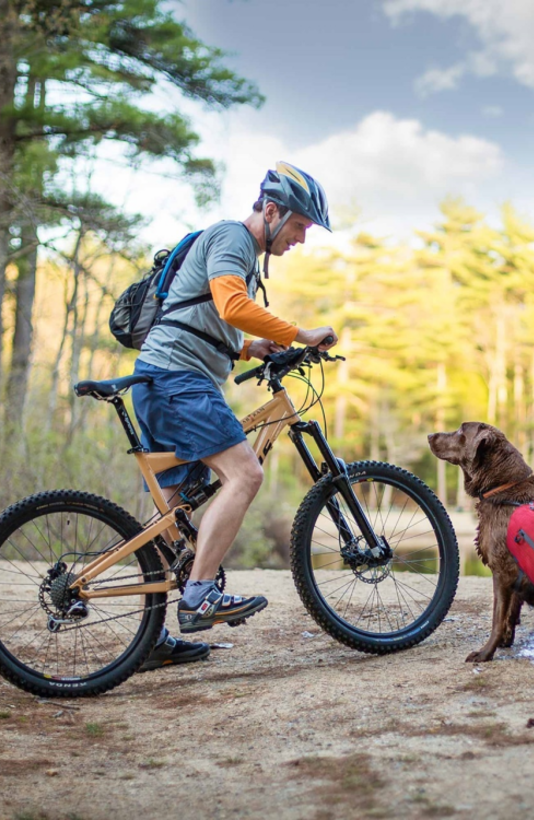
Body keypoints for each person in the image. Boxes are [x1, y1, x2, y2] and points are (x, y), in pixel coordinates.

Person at [133, 162, 337, 671]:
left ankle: (150, 637)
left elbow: (205, 314)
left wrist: (249, 348)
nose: (301, 239)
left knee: (173, 515)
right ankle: (200, 594)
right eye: (300, 226)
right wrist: (299, 333)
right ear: (271, 210)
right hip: (180, 380)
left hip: (161, 378)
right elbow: (229, 304)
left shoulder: (236, 252)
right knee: (245, 473)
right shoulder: (232, 239)